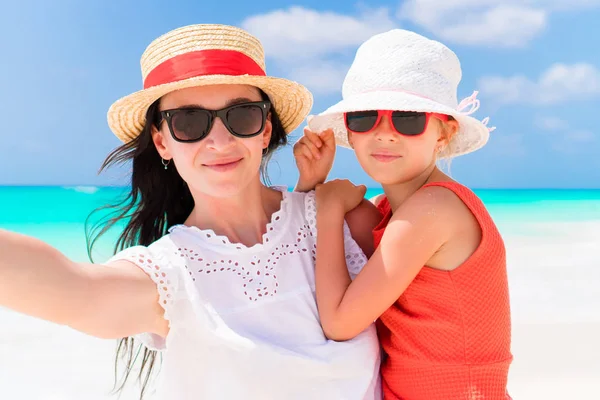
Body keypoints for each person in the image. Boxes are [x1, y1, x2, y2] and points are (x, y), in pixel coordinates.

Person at [0, 24, 382, 400]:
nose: (219, 141)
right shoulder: (169, 276)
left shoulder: (340, 217)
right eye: (189, 122)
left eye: (242, 116)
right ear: (162, 141)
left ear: (265, 130)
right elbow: (73, 290)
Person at [294, 29, 513, 400]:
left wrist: (329, 207)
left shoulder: (434, 210)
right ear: (350, 130)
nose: (384, 133)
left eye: (407, 119)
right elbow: (296, 255)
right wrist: (311, 185)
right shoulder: (384, 214)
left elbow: (340, 323)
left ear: (444, 133)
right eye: (365, 118)